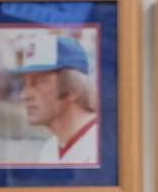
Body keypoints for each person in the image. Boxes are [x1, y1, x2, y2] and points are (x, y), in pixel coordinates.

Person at [12, 33, 99, 165]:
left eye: (38, 81)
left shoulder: (103, 148)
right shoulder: (50, 148)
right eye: (25, 83)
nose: (24, 95)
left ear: (73, 88)